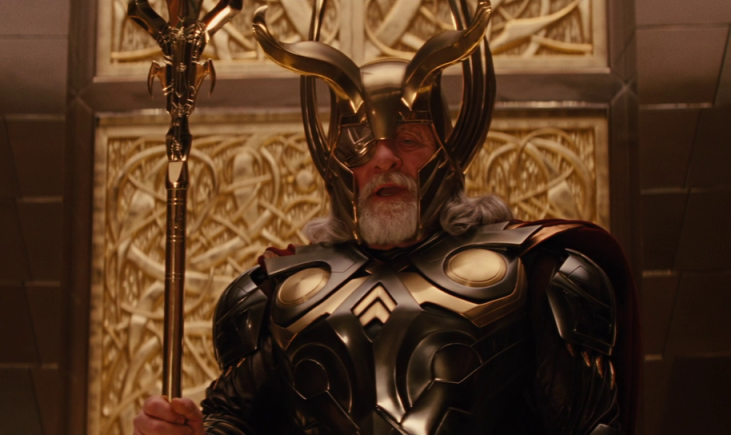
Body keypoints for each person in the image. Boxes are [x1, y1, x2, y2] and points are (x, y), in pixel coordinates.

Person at [132, 1, 639, 434]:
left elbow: (592, 425)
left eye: (409, 138)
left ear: (448, 152)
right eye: (358, 143)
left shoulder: (538, 273)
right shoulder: (272, 295)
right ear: (337, 164)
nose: (384, 158)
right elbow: (232, 423)